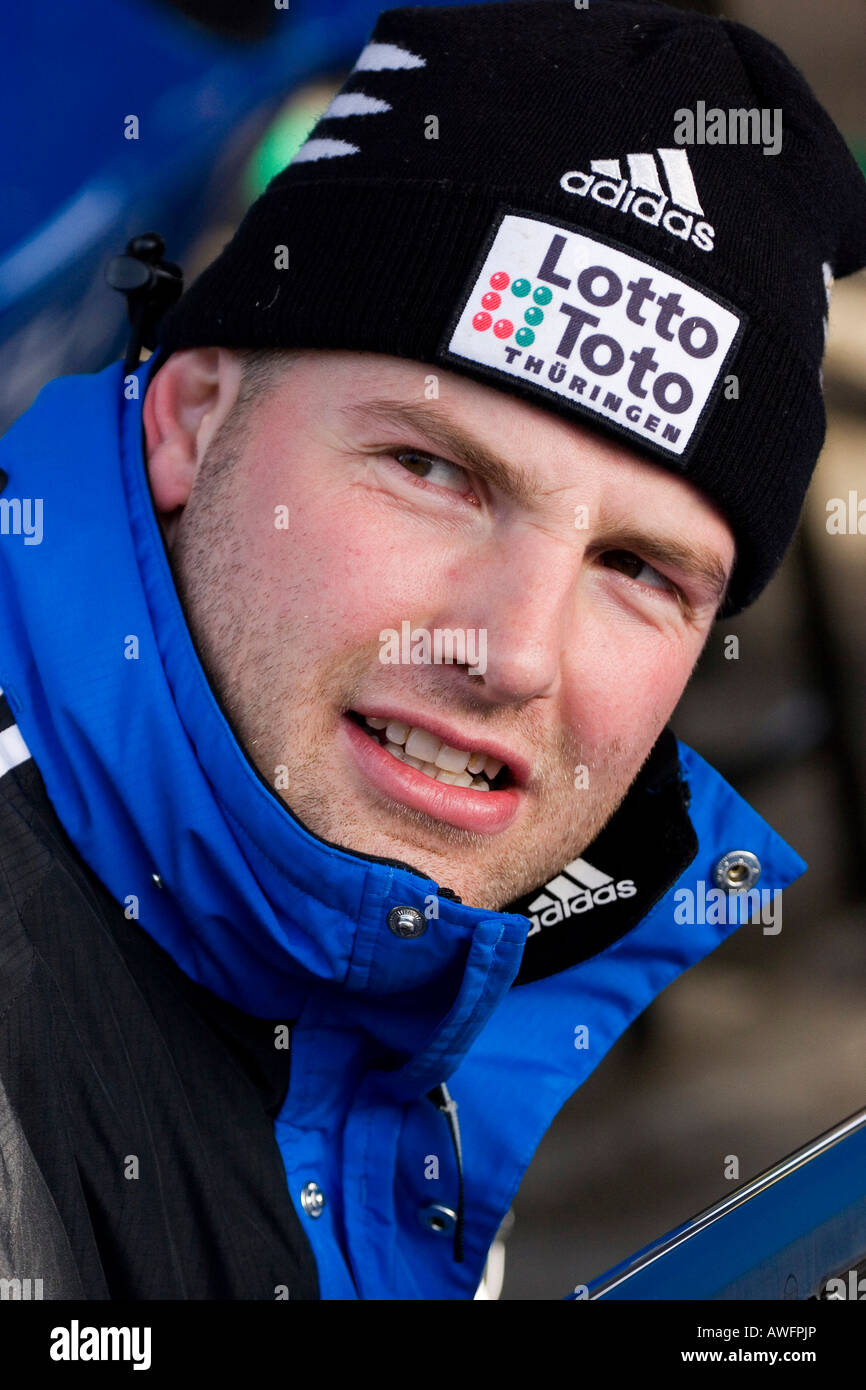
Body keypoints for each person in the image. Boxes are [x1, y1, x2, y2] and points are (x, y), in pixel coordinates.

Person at [0, 0, 863, 1301]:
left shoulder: (413, 986)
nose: (511, 651)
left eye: (637, 569)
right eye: (430, 468)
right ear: (191, 415)